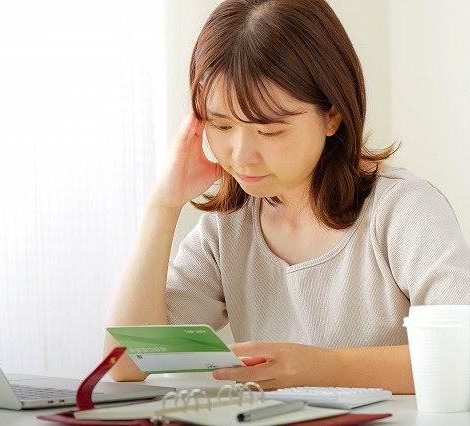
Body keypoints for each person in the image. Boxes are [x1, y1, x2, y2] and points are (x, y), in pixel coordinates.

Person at [104, 0, 470, 394]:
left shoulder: (403, 209)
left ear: (332, 115)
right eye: (221, 125)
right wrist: (163, 207)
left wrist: (327, 368)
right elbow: (126, 362)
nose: (241, 155)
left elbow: (462, 354)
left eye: (270, 131)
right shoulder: (228, 228)